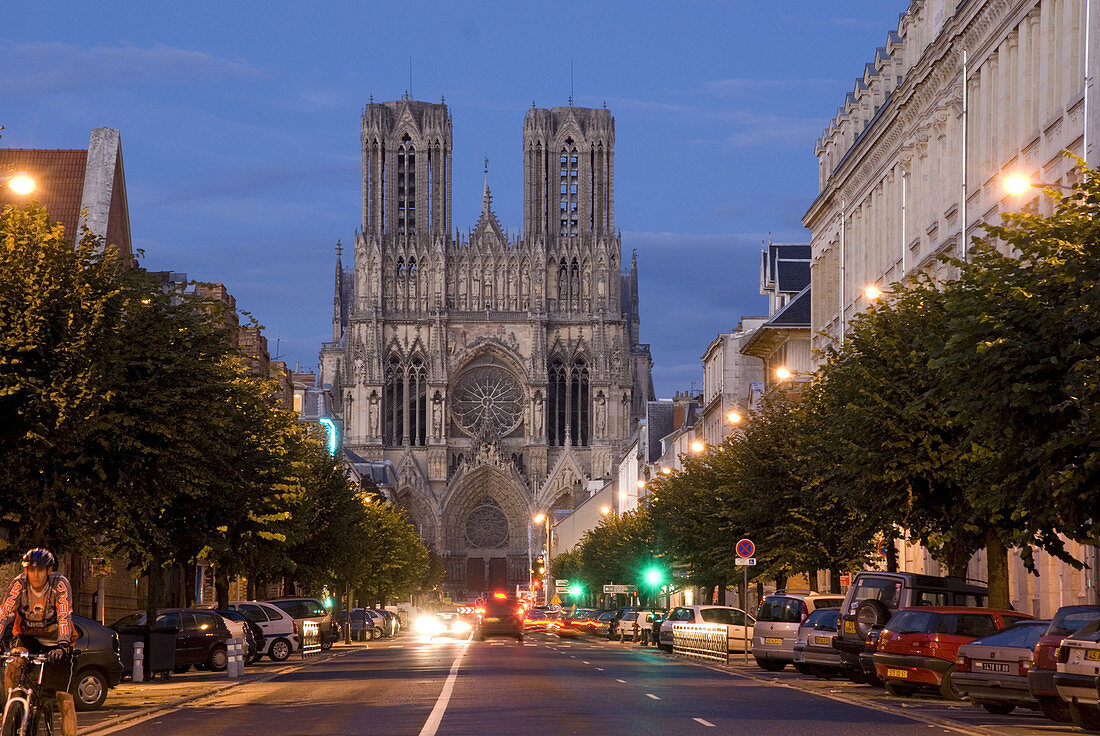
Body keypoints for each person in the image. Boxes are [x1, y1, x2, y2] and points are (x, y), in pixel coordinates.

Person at [0, 548, 77, 736]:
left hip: (57, 641)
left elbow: (64, 616)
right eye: (31, 570)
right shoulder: (19, 584)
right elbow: (4, 613)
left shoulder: (59, 584)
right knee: (13, 664)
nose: (35, 575)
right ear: (26, 570)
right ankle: (13, 712)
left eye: (40, 570)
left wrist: (63, 646)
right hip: (28, 637)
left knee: (64, 699)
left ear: (49, 570)